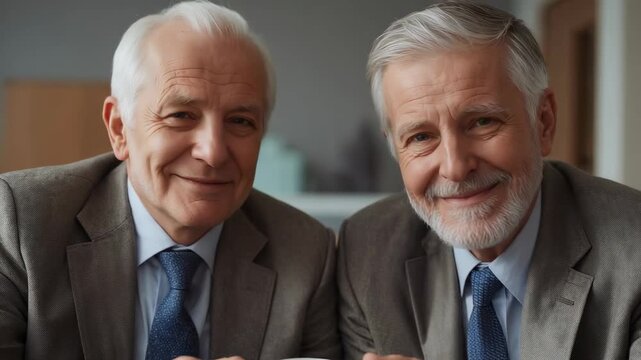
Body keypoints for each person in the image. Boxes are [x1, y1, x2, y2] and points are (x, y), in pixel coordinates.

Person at [0, 1, 341, 359]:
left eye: (240, 121)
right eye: (181, 115)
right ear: (119, 129)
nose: (213, 152)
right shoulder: (23, 222)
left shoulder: (305, 252)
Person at [338, 2, 641, 360]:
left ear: (543, 122)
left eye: (483, 122)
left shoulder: (633, 248)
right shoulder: (367, 250)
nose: (454, 167)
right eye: (420, 137)